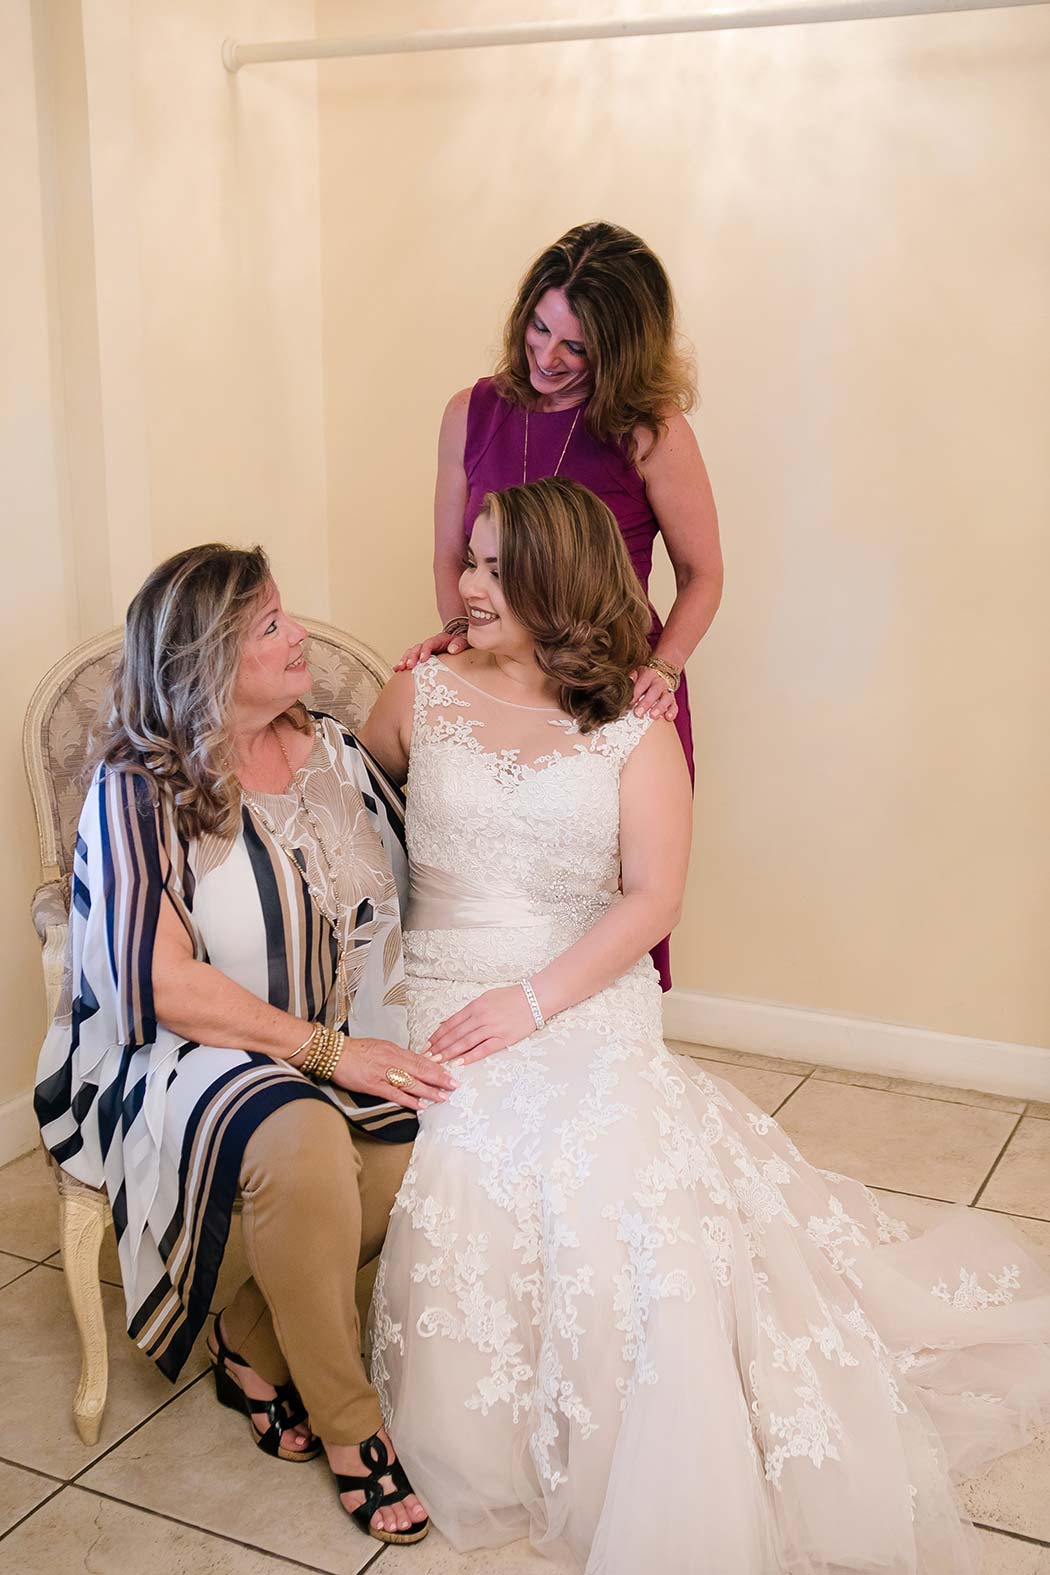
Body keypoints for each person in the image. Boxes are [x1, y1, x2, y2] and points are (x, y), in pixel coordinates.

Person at [360, 478, 1050, 1575]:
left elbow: (651, 901)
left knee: (627, 1168)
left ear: (557, 582)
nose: (465, 582)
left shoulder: (634, 732)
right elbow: (363, 835)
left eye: (494, 566)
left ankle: (674, 1429)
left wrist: (532, 1001)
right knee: (481, 1148)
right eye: (471, 560)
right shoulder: (417, 695)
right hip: (441, 987)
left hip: (578, 987)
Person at [34, 544, 455, 1544]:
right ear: (205, 666)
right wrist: (321, 1052)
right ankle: (356, 1433)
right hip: (174, 1051)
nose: (299, 633)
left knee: (430, 1134)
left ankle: (250, 1340)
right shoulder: (142, 786)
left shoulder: (336, 754)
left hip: (329, 1032)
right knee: (303, 1141)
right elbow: (158, 982)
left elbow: (432, 864)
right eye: (270, 626)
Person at [397, 219, 724, 990]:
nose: (548, 357)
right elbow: (451, 554)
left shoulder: (649, 433)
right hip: (497, 677)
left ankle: (609, 1050)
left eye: (575, 347)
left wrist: (664, 668)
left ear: (621, 349)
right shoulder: (467, 411)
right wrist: (465, 641)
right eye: (540, 328)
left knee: (615, 900)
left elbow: (703, 573)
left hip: (611, 688)